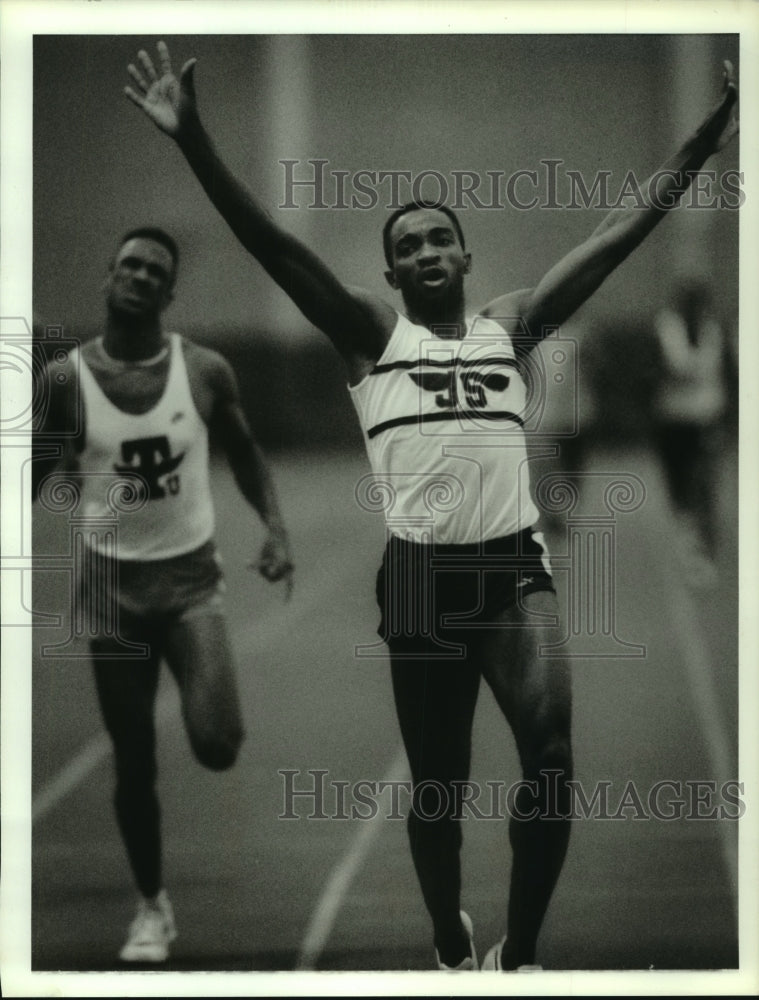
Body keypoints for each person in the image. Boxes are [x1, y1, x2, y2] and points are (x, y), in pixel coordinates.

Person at [124, 43, 738, 971]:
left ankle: (519, 955)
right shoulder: (370, 339)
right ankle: (449, 937)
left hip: (510, 566)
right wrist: (195, 139)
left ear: (464, 252)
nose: (423, 251)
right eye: (404, 247)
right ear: (392, 274)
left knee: (552, 755)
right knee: (439, 789)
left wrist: (702, 141)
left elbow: (618, 233)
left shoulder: (511, 324)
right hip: (418, 581)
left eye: (436, 238)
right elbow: (273, 246)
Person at [32, 226, 294, 963]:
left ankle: (155, 894)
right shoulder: (64, 381)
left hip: (189, 583)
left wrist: (275, 529)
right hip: (112, 592)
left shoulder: (203, 369)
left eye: (156, 271)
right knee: (134, 755)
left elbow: (244, 452)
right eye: (131, 265)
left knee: (217, 743)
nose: (141, 277)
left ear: (169, 292)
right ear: (108, 277)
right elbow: (34, 472)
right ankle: (151, 906)